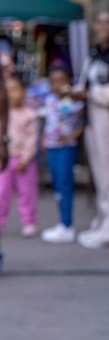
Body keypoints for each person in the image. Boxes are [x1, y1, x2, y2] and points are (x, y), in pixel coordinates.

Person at [72, 11, 109, 249]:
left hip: (108, 116)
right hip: (91, 116)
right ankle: (101, 221)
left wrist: (89, 94)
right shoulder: (94, 52)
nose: (103, 27)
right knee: (98, 173)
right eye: (100, 21)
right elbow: (84, 82)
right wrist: (75, 92)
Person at [39, 63, 85, 243]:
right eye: (53, 81)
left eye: (61, 80)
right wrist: (44, 139)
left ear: (68, 81)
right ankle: (62, 223)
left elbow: (83, 121)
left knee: (65, 185)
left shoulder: (74, 101)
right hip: (51, 147)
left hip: (66, 147)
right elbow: (48, 121)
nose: (57, 84)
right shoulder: (49, 99)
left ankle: (67, 225)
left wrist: (72, 135)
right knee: (57, 185)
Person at [0, 74, 38, 240]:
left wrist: (25, 158)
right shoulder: (3, 114)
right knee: (1, 193)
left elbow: (32, 139)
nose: (11, 94)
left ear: (23, 91)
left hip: (24, 161)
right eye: (7, 90)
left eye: (15, 89)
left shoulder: (29, 114)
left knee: (27, 193)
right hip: (4, 160)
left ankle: (28, 222)